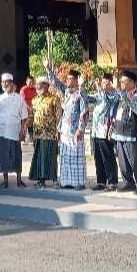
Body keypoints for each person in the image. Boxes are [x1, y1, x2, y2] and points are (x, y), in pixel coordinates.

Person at [44, 58, 88, 190]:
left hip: (75, 130)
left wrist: (80, 129)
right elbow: (55, 83)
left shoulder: (81, 93)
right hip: (65, 129)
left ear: (76, 80)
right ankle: (65, 182)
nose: (68, 81)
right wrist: (48, 69)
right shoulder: (67, 91)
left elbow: (84, 112)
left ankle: (78, 183)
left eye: (70, 79)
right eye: (67, 79)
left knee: (76, 158)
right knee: (65, 157)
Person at [0, 73, 29, 188]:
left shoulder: (19, 99)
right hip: (2, 131)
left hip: (15, 131)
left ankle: (19, 180)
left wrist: (23, 131)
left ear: (12, 83)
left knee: (16, 155)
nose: (5, 84)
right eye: (3, 82)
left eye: (7, 82)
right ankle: (5, 181)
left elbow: (24, 117)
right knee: (3, 156)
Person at [112, 71, 137, 194]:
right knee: (122, 161)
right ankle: (128, 183)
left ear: (132, 82)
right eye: (120, 82)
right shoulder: (122, 95)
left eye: (123, 82)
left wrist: (126, 97)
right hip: (120, 132)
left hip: (132, 134)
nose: (121, 84)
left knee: (135, 160)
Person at [28, 76, 62, 188]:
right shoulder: (34, 100)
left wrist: (58, 131)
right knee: (40, 158)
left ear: (47, 85)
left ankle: (54, 179)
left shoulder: (54, 99)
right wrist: (29, 132)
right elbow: (31, 117)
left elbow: (59, 116)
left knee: (51, 157)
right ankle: (41, 180)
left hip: (50, 134)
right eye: (37, 84)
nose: (38, 86)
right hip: (38, 134)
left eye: (41, 84)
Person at [89, 74, 120, 191]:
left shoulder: (113, 96)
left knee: (108, 157)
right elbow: (86, 98)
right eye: (102, 83)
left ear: (111, 84)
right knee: (98, 157)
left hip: (105, 131)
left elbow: (107, 101)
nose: (103, 85)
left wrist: (99, 88)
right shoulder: (99, 95)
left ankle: (112, 181)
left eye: (106, 83)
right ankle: (101, 181)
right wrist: (81, 87)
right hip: (96, 131)